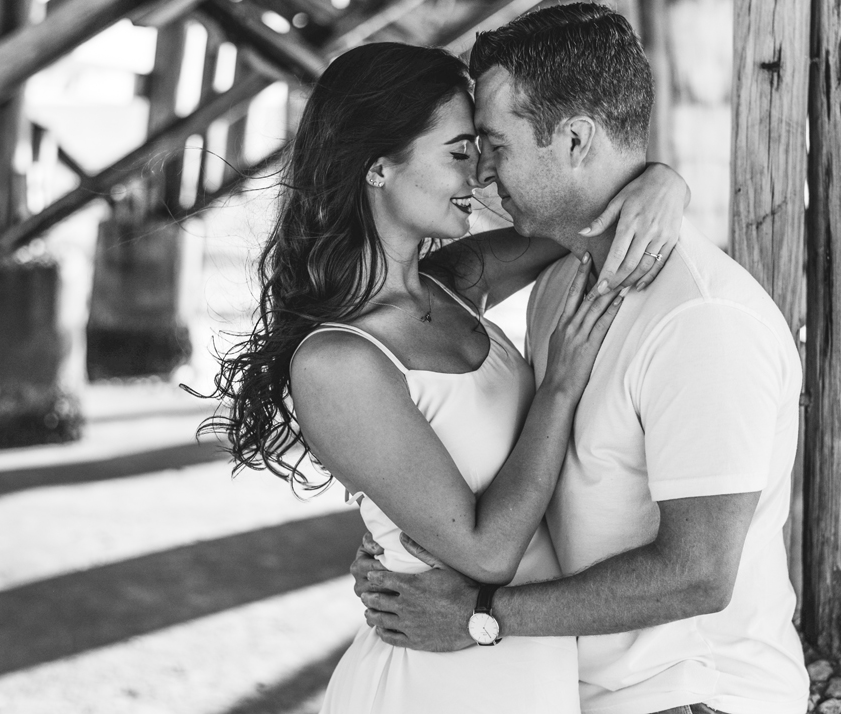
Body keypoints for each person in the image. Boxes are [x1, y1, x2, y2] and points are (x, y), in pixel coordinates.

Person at [351, 3, 810, 714]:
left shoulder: (703, 322)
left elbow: (697, 574)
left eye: (496, 146)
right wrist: (410, 552)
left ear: (573, 138)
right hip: (578, 689)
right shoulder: (563, 279)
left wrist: (479, 613)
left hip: (691, 698)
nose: (485, 175)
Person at [205, 40, 688, 713]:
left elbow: (581, 206)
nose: (482, 177)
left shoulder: (454, 283)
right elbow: (487, 552)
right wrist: (559, 388)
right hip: (437, 682)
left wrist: (666, 179)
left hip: (515, 661)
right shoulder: (338, 361)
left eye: (486, 153)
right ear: (379, 167)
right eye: (460, 152)